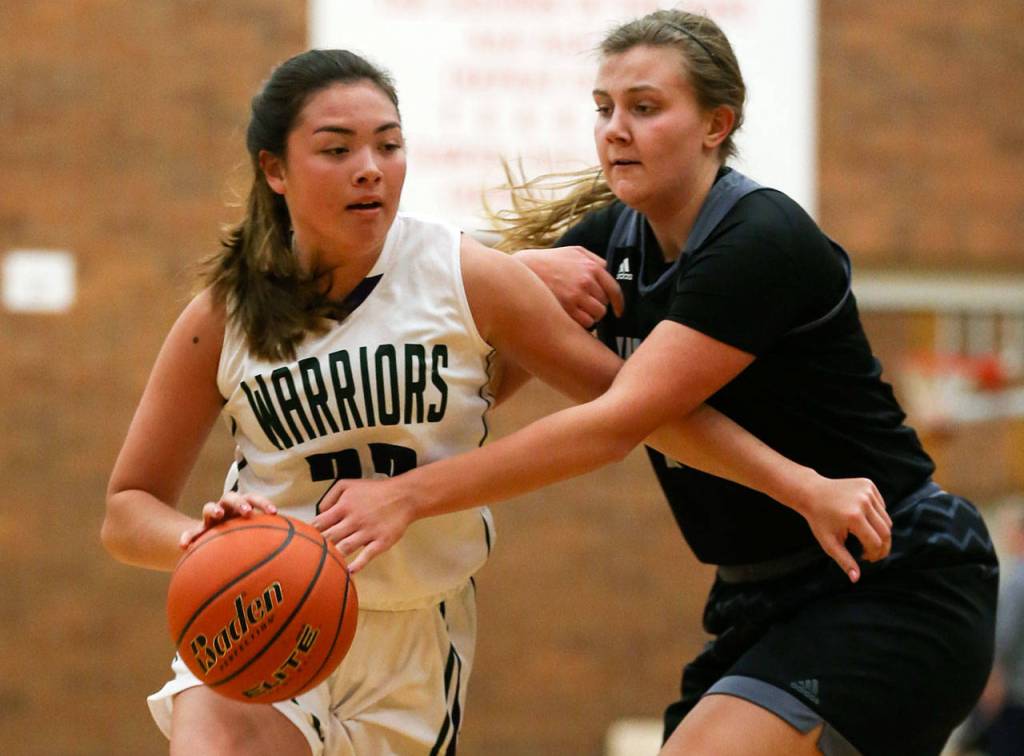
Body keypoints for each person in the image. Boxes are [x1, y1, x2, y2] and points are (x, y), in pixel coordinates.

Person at [101, 48, 889, 756]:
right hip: (260, 614)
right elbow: (127, 507)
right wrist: (203, 545)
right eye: (337, 150)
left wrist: (797, 484)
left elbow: (638, 412)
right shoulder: (221, 315)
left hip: (414, 635)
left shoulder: (463, 275)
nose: (369, 167)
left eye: (388, 144)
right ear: (275, 170)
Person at [310, 10, 1000, 756]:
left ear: (715, 125)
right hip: (759, 594)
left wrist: (408, 497)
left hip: (895, 574)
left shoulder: (759, 239)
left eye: (644, 107)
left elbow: (615, 424)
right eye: (603, 108)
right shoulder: (609, 243)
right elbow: (466, 367)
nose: (614, 128)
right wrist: (520, 275)